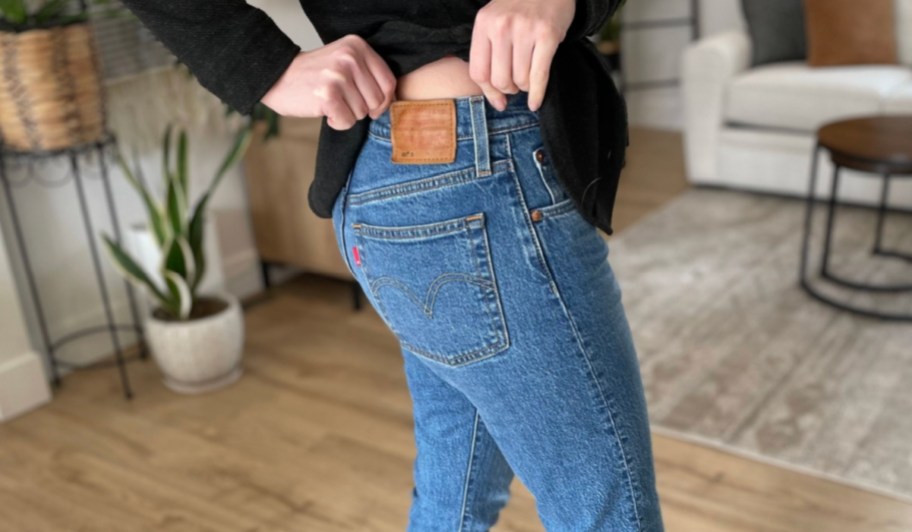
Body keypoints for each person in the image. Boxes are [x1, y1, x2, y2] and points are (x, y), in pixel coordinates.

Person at [120, 1, 664, 530]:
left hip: (406, 181)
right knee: (611, 516)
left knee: (454, 495)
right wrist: (268, 68)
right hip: (475, 179)